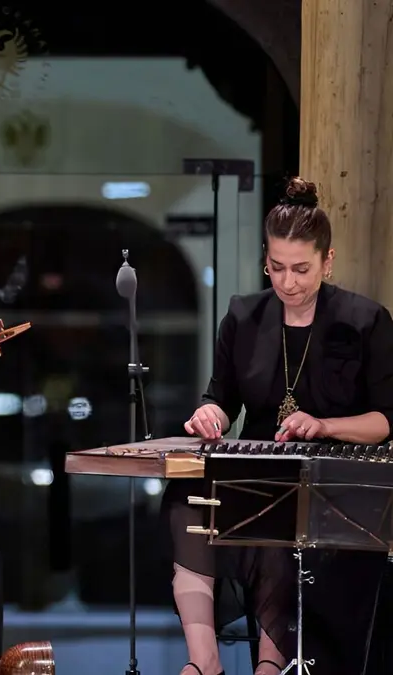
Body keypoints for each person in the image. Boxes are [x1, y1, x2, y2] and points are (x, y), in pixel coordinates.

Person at [162, 177, 393, 675]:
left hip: (335, 483)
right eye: (277, 267)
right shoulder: (243, 317)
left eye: (302, 269)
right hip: (258, 470)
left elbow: (385, 421)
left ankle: (270, 667)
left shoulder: (365, 320)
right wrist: (210, 415)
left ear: (327, 262)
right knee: (184, 499)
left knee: (277, 514)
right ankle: (204, 664)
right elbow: (221, 398)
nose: (288, 282)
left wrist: (324, 424)